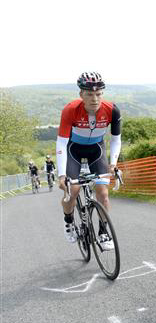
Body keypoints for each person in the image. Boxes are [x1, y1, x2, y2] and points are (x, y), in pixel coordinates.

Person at [56, 72, 122, 250]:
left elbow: (116, 139)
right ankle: (68, 220)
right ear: (81, 95)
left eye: (98, 94)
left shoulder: (112, 110)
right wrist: (62, 175)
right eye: (89, 94)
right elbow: (62, 141)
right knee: (73, 190)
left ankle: (103, 231)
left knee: (103, 193)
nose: (94, 99)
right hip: (73, 151)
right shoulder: (70, 110)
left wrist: (113, 164)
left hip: (96, 150)